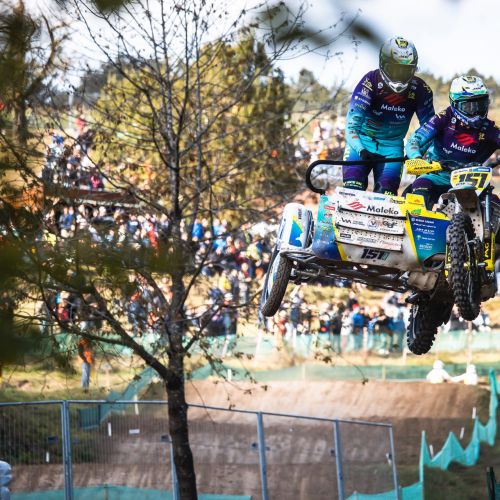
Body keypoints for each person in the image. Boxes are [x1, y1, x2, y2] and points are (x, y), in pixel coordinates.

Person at [343, 36, 434, 195]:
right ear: (382, 64)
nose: (399, 75)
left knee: (387, 195)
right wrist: (361, 149)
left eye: (405, 70)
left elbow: (431, 129)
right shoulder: (369, 82)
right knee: (352, 190)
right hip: (361, 143)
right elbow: (351, 126)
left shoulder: (421, 90)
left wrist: (416, 154)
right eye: (394, 69)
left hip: (392, 150)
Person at [406, 75, 500, 209]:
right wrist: (417, 158)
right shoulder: (443, 118)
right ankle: (418, 220)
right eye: (470, 107)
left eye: (481, 104)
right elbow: (415, 139)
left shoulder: (489, 128)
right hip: (439, 175)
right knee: (420, 186)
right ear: (455, 104)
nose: (477, 112)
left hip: (472, 181)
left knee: (495, 203)